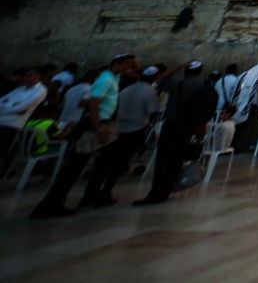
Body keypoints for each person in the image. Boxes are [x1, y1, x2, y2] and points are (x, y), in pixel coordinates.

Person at [31, 53, 135, 219]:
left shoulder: (113, 78)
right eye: (125, 64)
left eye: (130, 64)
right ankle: (51, 204)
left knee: (103, 162)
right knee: (74, 166)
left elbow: (87, 100)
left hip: (103, 122)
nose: (128, 67)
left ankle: (90, 195)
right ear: (116, 63)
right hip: (94, 125)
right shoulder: (107, 79)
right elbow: (93, 103)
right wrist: (99, 128)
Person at [133, 61, 217, 206]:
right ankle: (168, 189)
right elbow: (208, 104)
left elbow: (159, 80)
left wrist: (178, 66)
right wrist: (203, 124)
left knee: (164, 159)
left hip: (173, 124)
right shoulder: (205, 84)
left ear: (186, 71)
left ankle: (157, 192)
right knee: (177, 157)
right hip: (190, 125)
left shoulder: (176, 83)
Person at [82, 64, 162, 206]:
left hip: (117, 128)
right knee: (119, 163)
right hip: (135, 129)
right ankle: (106, 192)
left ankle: (90, 193)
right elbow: (152, 112)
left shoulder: (125, 89)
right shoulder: (150, 91)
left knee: (105, 162)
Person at [0, 67, 48, 174]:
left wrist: (7, 106)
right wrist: (12, 105)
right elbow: (2, 102)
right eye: (26, 74)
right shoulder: (19, 90)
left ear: (38, 76)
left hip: (11, 124)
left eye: (30, 74)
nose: (26, 77)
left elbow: (22, 108)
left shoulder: (40, 90)